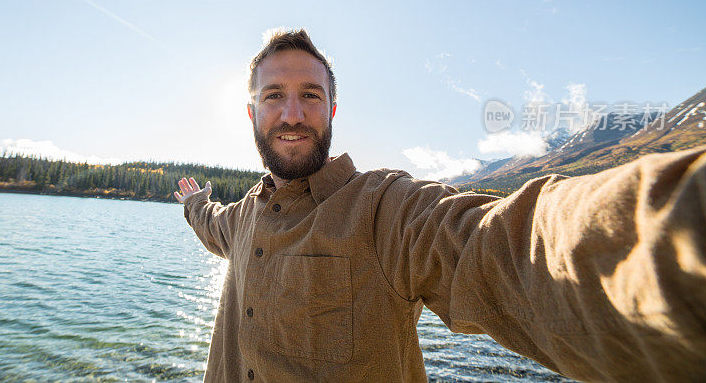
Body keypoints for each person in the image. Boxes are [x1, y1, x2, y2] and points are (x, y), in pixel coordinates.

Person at [174, 29, 706, 383]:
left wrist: (676, 226)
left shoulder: (385, 209)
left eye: (310, 95)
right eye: (274, 96)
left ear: (332, 109)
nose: (293, 113)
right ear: (251, 113)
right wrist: (195, 201)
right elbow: (210, 224)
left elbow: (498, 246)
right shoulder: (243, 215)